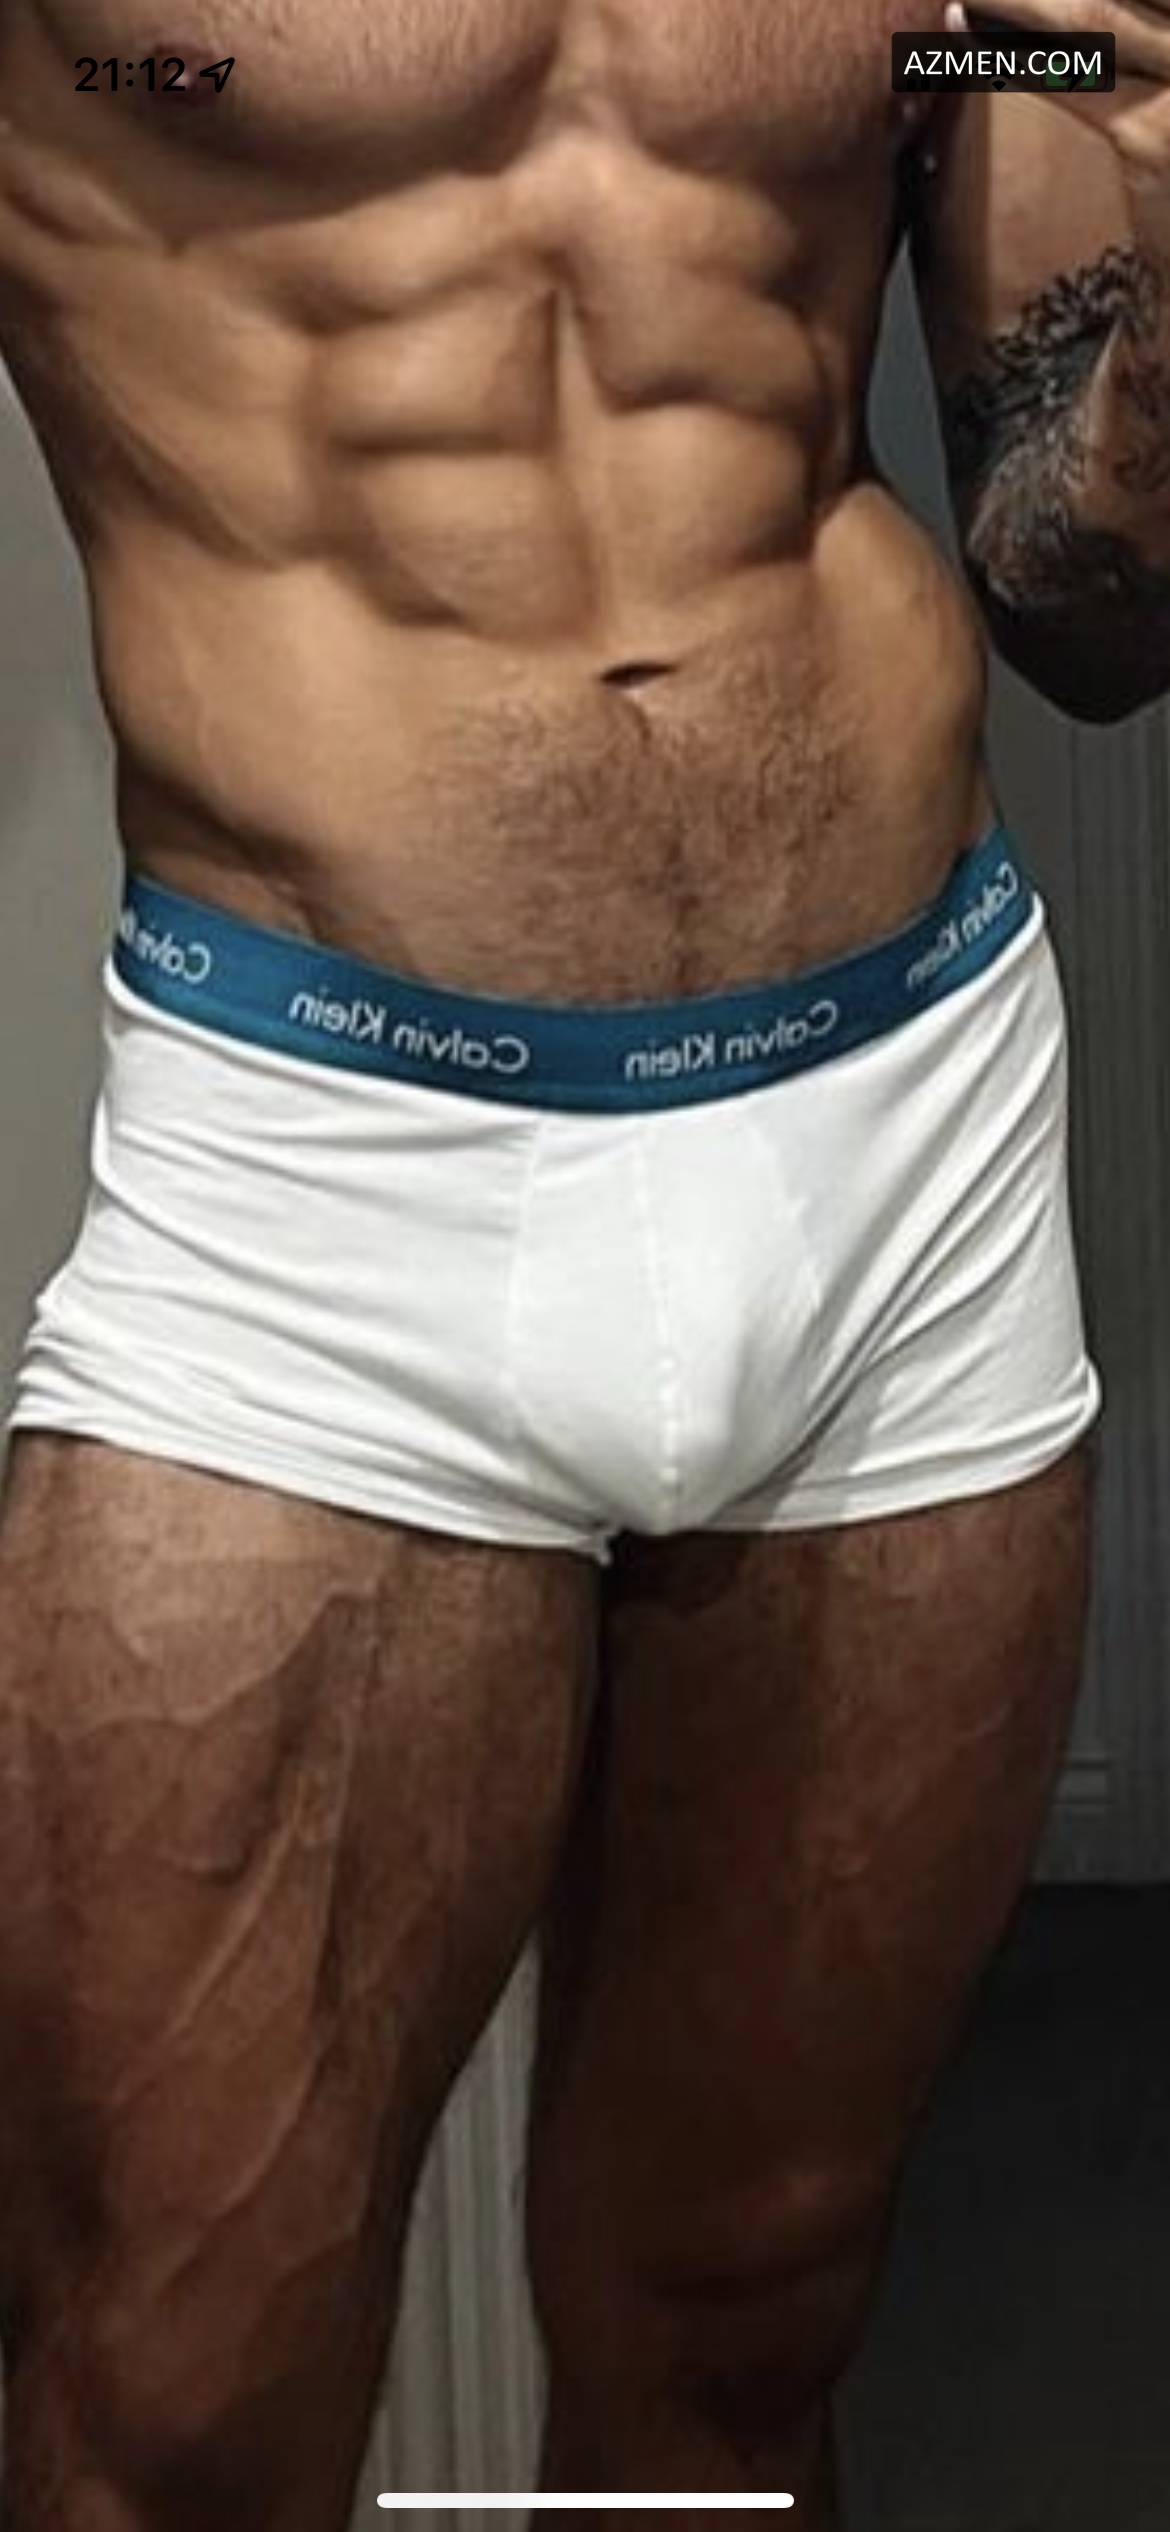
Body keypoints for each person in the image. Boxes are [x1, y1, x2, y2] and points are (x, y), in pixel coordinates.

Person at [0, 0, 1168, 2522]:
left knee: (745, 2333)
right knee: (166, 2422)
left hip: (904, 1158)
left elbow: (1088, 592)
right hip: (319, 1197)